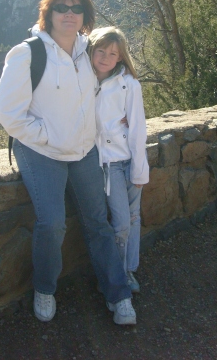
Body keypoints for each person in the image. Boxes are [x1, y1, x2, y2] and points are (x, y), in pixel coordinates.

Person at [0, 0, 136, 325]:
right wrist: (46, 136)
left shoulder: (88, 51)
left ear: (85, 15)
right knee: (53, 222)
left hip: (84, 150)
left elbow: (114, 76)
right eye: (61, 7)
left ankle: (119, 295)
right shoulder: (28, 53)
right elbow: (7, 112)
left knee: (98, 222)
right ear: (49, 12)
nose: (69, 14)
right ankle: (45, 288)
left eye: (76, 8)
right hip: (41, 152)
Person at [89, 26, 150, 294]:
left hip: (130, 160)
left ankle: (128, 270)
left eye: (112, 53)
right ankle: (118, 273)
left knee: (134, 218)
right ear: (91, 51)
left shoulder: (129, 84)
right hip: (109, 164)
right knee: (122, 223)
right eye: (100, 51)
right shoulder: (82, 82)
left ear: (121, 57)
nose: (105, 57)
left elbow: (138, 128)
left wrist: (139, 171)